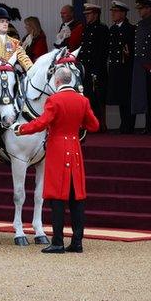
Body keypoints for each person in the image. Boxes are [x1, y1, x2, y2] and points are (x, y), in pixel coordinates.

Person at [15, 66, 99, 253]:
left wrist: (21, 129)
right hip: (75, 148)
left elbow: (42, 123)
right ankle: (77, 242)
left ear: (57, 81)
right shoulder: (82, 100)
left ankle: (58, 242)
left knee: (57, 198)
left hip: (58, 149)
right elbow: (94, 125)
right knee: (76, 197)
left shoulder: (54, 100)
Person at [130, 0, 151, 135]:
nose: (139, 11)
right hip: (141, 65)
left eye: (142, 8)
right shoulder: (139, 25)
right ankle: (148, 125)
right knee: (143, 95)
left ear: (149, 9)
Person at [106, 1, 136, 134]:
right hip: (115, 67)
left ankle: (129, 125)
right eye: (112, 11)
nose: (113, 14)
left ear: (123, 13)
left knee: (127, 97)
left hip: (126, 68)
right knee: (119, 97)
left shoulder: (130, 29)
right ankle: (123, 124)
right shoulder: (112, 29)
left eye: (116, 11)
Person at [79, 3, 109, 131]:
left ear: (96, 14)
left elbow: (102, 50)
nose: (87, 17)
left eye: (89, 14)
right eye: (86, 14)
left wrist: (96, 68)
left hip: (97, 68)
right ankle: (91, 125)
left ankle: (101, 125)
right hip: (86, 67)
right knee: (88, 96)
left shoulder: (102, 29)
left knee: (99, 97)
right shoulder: (86, 28)